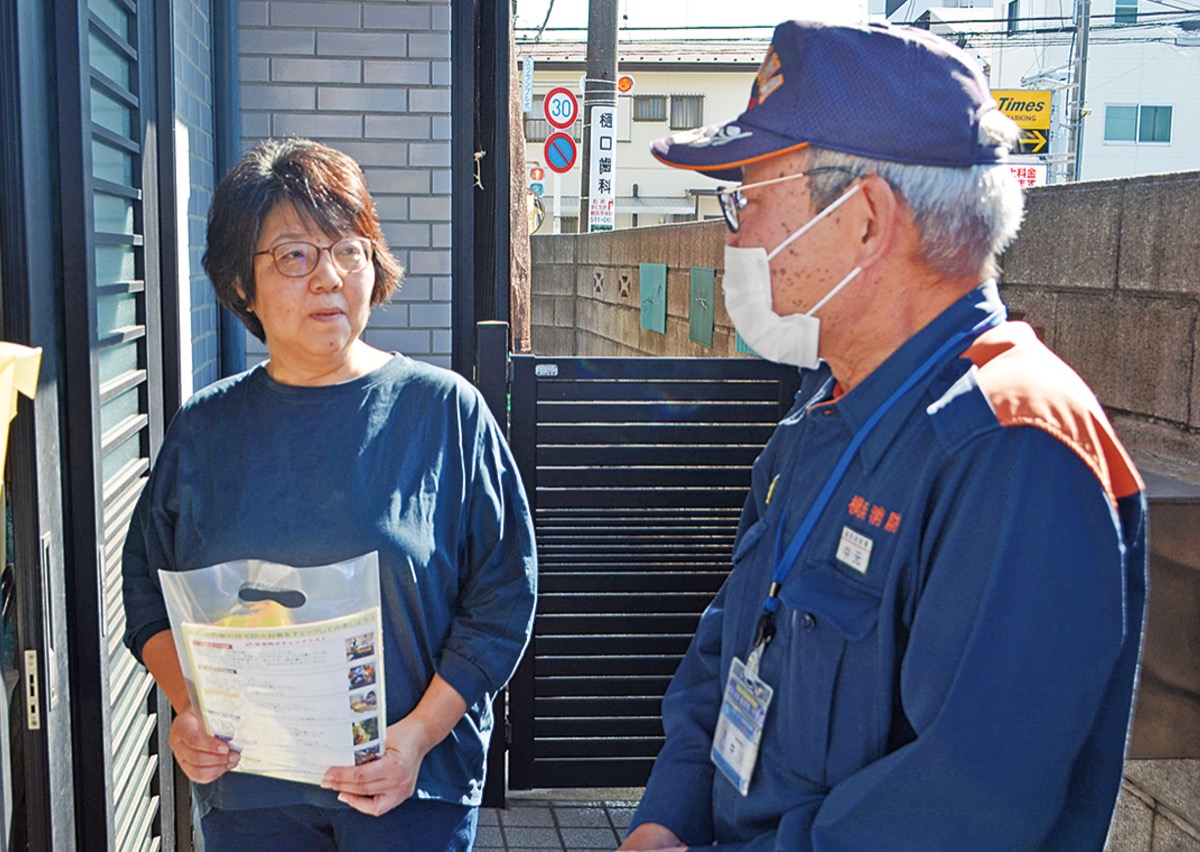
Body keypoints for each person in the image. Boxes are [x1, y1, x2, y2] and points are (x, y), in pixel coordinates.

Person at [620, 20, 1146, 851]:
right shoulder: (827, 407)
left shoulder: (1014, 448)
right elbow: (732, 640)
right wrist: (669, 812)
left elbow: (964, 809)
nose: (737, 237)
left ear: (865, 218)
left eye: (750, 197)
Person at [121, 138, 537, 850]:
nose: (328, 277)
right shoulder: (205, 430)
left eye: (348, 249)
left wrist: (415, 738)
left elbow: (502, 596)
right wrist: (188, 708)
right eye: (293, 255)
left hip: (408, 794)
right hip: (251, 795)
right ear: (241, 286)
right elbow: (146, 584)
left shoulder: (444, 414)